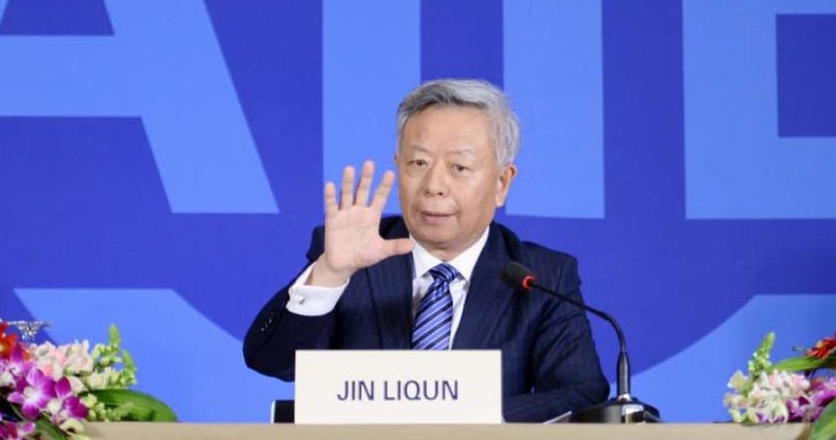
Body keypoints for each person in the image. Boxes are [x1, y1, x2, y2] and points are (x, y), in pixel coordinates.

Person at [243, 78, 609, 422]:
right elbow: (271, 361)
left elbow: (582, 392)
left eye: (459, 167)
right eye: (418, 163)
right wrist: (330, 274)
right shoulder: (351, 254)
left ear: (501, 182)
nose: (434, 185)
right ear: (398, 166)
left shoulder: (540, 276)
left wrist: (458, 417)